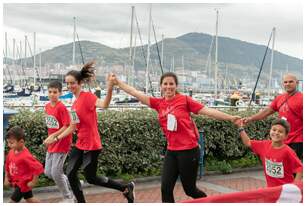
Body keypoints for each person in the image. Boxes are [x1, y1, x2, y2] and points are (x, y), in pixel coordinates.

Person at [113, 72, 240, 202]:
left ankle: (207, 202)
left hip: (189, 151)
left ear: (176, 85)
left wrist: (231, 118)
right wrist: (118, 83)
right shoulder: (158, 103)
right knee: (165, 189)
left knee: (190, 189)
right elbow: (135, 92)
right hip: (172, 152)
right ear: (161, 86)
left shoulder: (184, 100)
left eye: (171, 84)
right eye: (165, 84)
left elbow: (208, 111)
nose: (168, 87)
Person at [44, 61, 135, 203]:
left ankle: (125, 188)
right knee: (70, 172)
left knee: (91, 178)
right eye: (67, 84)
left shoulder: (88, 97)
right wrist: (54, 138)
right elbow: (71, 127)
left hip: (92, 145)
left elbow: (104, 105)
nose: (69, 86)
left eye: (72, 83)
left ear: (80, 83)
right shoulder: (73, 105)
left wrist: (110, 88)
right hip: (80, 143)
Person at [243, 73, 303, 160]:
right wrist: (251, 118)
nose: (288, 84)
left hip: (297, 140)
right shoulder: (280, 98)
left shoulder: (302, 98)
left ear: (297, 83)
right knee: (281, 165)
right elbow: (267, 111)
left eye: (291, 82)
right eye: (285, 82)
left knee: (293, 168)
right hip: (282, 138)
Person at [235, 118, 302, 187]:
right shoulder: (264, 145)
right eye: (274, 130)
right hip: (271, 189)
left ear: (286, 136)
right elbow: (248, 142)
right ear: (270, 131)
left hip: (285, 190)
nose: (276, 133)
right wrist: (240, 128)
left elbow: (300, 169)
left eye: (280, 131)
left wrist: (294, 187)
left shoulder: (288, 151)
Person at [43, 81, 74, 202]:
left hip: (62, 143)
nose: (52, 94)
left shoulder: (62, 108)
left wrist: (54, 137)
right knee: (48, 172)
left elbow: (66, 126)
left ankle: (68, 198)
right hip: (52, 143)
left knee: (56, 173)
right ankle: (72, 182)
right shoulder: (46, 107)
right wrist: (49, 138)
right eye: (50, 92)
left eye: (55, 92)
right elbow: (51, 126)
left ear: (60, 93)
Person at [4, 126, 44, 203]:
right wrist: (6, 178)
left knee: (12, 202)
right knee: (29, 199)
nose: (9, 145)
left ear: (21, 142)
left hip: (23, 184)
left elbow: (38, 167)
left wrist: (33, 182)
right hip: (17, 182)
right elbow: (7, 165)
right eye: (8, 142)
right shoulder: (11, 151)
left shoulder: (26, 156)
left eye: (11, 143)